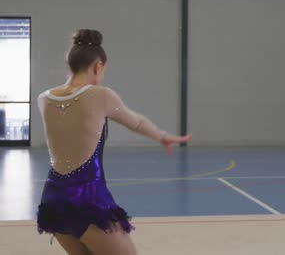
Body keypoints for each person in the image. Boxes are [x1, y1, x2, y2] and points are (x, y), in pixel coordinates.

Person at [36, 29, 192, 255]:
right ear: (98, 66)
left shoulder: (45, 98)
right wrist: (163, 136)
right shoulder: (101, 95)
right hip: (88, 200)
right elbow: (136, 122)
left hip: (53, 200)